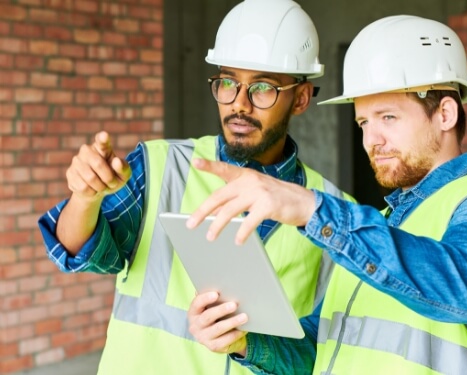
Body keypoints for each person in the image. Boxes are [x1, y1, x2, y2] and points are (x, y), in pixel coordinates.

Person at [186, 15, 467, 375]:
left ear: (445, 114)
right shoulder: (382, 226)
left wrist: (309, 208)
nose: (371, 141)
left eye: (388, 117)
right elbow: (320, 349)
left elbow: (462, 291)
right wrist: (245, 344)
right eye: (364, 122)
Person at [38, 0, 353, 374]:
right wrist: (85, 198)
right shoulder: (161, 165)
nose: (239, 105)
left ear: (300, 98)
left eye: (263, 88)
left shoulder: (332, 211)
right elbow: (80, 253)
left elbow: (319, 354)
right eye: (228, 82)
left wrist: (249, 346)